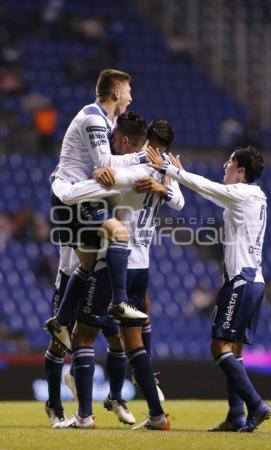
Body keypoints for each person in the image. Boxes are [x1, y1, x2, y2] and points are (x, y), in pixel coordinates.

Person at [53, 113, 184, 430]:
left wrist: (61, 181)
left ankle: (84, 417)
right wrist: (167, 181)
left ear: (145, 143)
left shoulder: (133, 172)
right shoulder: (167, 174)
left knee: (82, 337)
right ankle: (155, 415)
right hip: (144, 267)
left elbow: (79, 192)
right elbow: (178, 201)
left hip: (116, 267)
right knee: (133, 343)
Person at [147, 145, 271, 432]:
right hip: (254, 281)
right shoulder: (254, 197)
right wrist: (179, 176)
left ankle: (256, 404)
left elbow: (207, 188)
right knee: (234, 349)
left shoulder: (243, 194)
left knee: (219, 347)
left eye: (230, 162)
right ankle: (236, 415)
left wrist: (172, 171)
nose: (225, 165)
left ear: (241, 171)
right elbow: (210, 191)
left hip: (240, 281)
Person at [46, 69, 149, 352]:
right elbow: (105, 160)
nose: (132, 96)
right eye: (129, 90)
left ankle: (61, 321)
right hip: (71, 195)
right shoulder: (93, 117)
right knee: (119, 227)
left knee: (88, 263)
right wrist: (143, 156)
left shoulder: (108, 121)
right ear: (116, 92)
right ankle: (118, 302)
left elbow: (106, 161)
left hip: (83, 197)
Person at [44, 246, 135, 428]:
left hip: (100, 277)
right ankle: (54, 405)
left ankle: (114, 397)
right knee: (60, 341)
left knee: (116, 336)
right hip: (70, 275)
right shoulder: (77, 218)